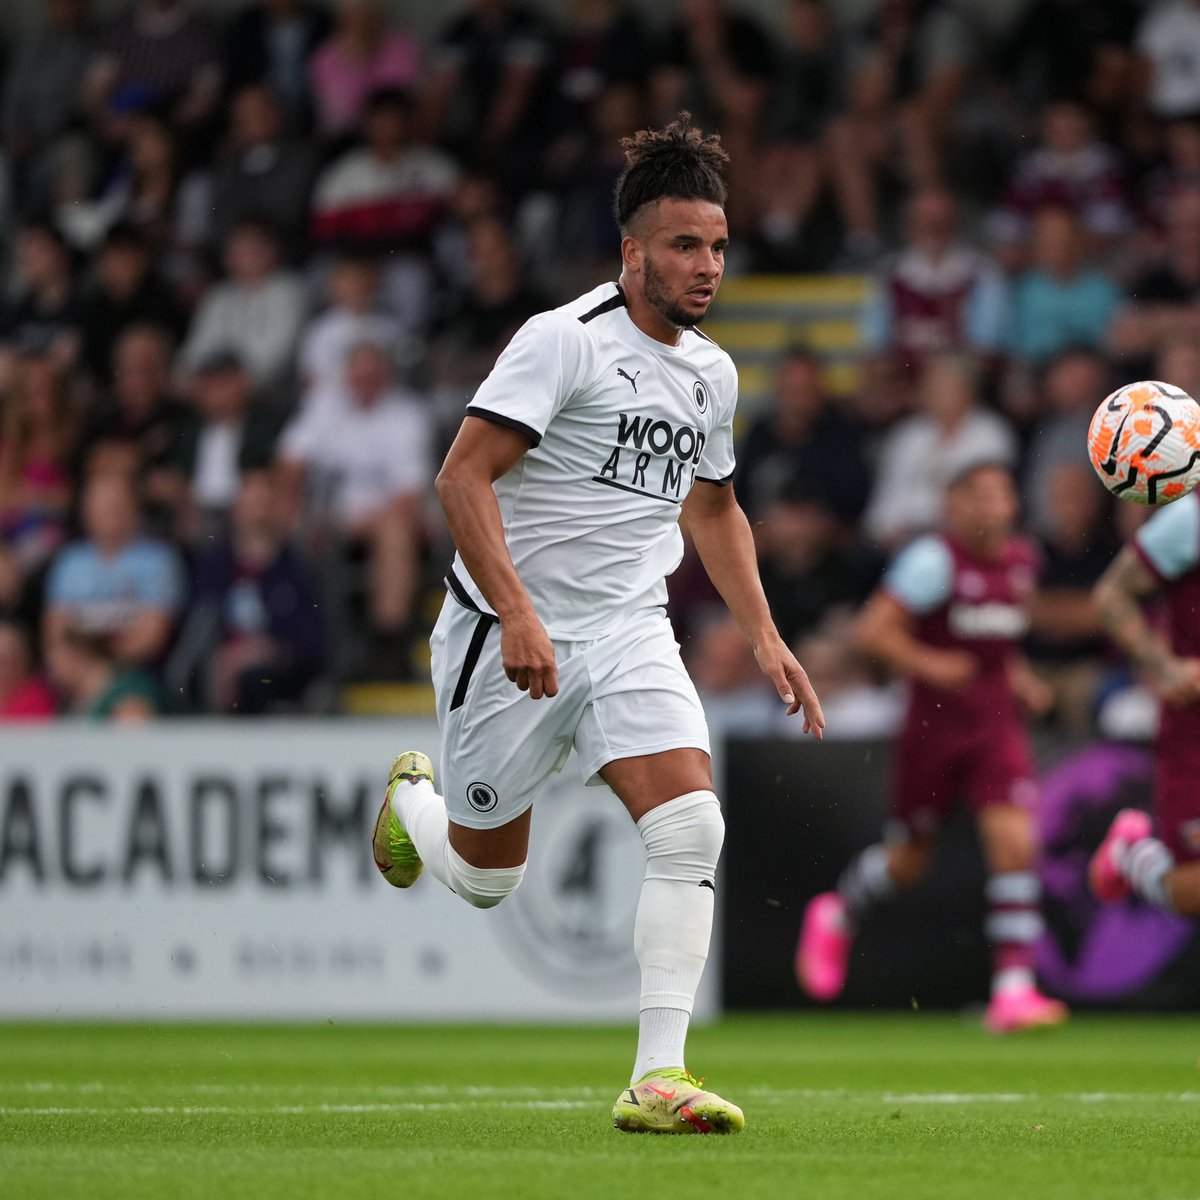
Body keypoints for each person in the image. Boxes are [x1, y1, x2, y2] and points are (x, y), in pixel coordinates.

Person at [371, 115, 824, 1135]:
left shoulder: (712, 372)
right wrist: (521, 614)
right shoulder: (562, 340)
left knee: (691, 825)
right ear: (633, 252)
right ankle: (412, 807)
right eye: (683, 245)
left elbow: (713, 506)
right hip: (508, 635)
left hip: (629, 626)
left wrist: (763, 634)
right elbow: (460, 475)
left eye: (716, 245)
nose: (707, 266)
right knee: (489, 881)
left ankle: (656, 1075)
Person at [797, 462, 1067, 1034]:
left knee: (1015, 843)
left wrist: (1021, 681)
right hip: (934, 732)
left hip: (995, 729)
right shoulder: (933, 562)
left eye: (1001, 493)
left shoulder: (1022, 562)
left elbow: (997, 644)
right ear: (955, 505)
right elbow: (872, 631)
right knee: (909, 860)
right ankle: (839, 911)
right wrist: (930, 663)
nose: (993, 505)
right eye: (979, 495)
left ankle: (1014, 991)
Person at [1089, 482, 1200, 918]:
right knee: (1193, 892)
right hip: (1193, 730)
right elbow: (1111, 594)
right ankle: (1133, 854)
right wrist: (1165, 666)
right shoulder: (1189, 518)